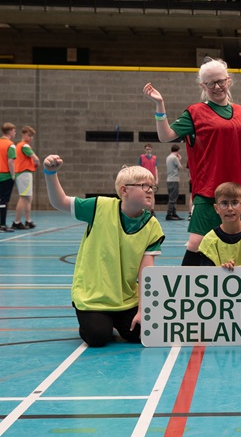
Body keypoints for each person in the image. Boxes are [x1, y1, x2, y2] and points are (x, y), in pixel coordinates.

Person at [43, 155, 165, 347]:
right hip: (93, 296)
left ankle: (117, 319)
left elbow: (146, 275)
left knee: (142, 333)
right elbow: (60, 202)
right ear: (124, 190)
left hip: (125, 298)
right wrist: (51, 173)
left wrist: (143, 311)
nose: (150, 190)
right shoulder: (99, 207)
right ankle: (97, 320)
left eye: (152, 187)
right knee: (97, 337)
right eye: (144, 186)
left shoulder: (152, 225)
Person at [143, 57, 241, 266]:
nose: (217, 87)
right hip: (208, 191)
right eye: (211, 83)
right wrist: (160, 104)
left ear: (228, 81)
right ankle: (184, 293)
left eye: (220, 81)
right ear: (203, 85)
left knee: (237, 247)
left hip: (238, 191)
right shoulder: (195, 113)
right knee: (197, 242)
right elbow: (165, 135)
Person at [12, 125, 40, 230]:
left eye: (32, 136)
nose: (31, 138)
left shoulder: (20, 145)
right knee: (24, 198)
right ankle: (17, 221)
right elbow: (35, 158)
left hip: (24, 173)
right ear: (23, 134)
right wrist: (37, 163)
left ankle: (28, 221)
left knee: (28, 198)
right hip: (24, 173)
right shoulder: (25, 146)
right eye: (29, 135)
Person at [0, 122, 16, 232]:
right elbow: (10, 161)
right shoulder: (10, 145)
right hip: (5, 176)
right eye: (14, 131)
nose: (15, 133)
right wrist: (13, 175)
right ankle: (2, 225)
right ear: (10, 131)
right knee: (3, 201)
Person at [165, 144, 184, 220]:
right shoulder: (174, 158)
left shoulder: (168, 157)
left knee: (171, 197)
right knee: (173, 198)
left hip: (169, 180)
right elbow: (180, 167)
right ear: (177, 151)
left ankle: (174, 213)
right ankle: (169, 214)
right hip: (174, 179)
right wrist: (179, 159)